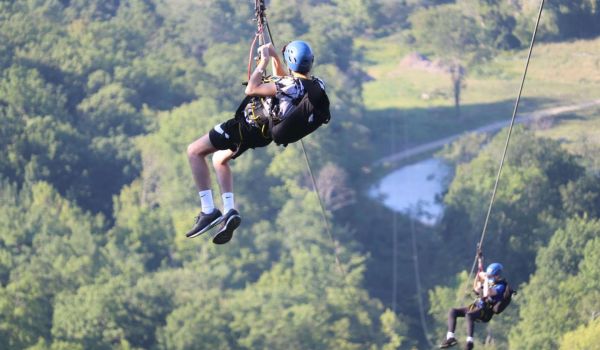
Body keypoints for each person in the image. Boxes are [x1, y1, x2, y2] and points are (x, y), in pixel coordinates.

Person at [185, 40, 329, 244]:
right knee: (219, 160)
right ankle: (229, 211)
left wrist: (262, 63)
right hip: (261, 135)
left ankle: (208, 210)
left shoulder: (288, 85)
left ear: (292, 62)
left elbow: (251, 89)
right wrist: (274, 57)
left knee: (194, 151)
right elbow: (283, 83)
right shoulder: (314, 86)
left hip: (243, 127)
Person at [439, 263, 507, 350]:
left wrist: (485, 279)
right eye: (489, 276)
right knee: (453, 311)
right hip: (477, 306)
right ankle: (450, 337)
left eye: (492, 276)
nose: (490, 278)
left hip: (484, 311)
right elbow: (476, 288)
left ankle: (470, 342)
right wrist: (478, 276)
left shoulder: (501, 286)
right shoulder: (489, 282)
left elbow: (487, 293)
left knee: (469, 315)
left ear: (498, 275)